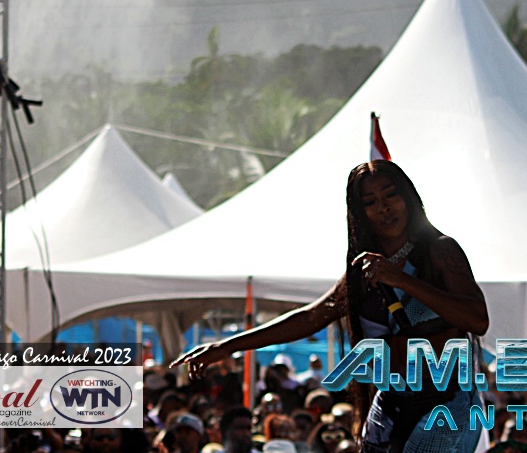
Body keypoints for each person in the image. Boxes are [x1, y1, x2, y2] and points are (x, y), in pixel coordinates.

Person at [173, 160, 489, 453]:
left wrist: (401, 280)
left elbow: (477, 319)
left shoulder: (440, 251)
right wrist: (227, 347)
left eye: (391, 195)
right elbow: (310, 317)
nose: (384, 207)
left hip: (446, 405)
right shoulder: (362, 272)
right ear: (359, 212)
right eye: (371, 201)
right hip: (391, 404)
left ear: (408, 197)